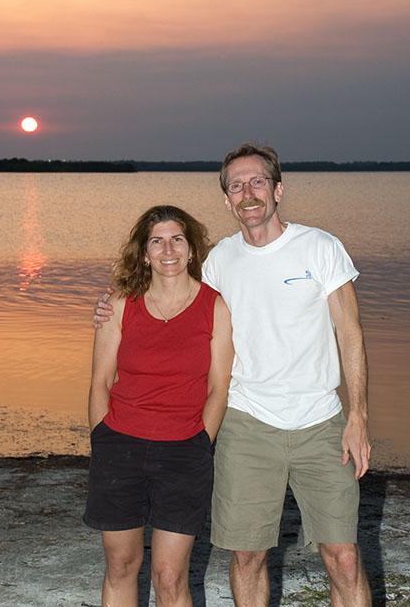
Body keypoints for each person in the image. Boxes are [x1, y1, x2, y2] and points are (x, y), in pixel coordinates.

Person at [95, 143, 372, 607]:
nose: (248, 193)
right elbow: (171, 290)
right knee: (246, 556)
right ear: (226, 200)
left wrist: (358, 416)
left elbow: (350, 332)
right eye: (237, 186)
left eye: (258, 181)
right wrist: (111, 305)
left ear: (278, 190)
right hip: (246, 424)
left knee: (343, 556)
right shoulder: (219, 260)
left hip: (320, 421)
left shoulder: (321, 247)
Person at [84, 204, 233, 607]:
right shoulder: (119, 304)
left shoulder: (215, 306)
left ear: (191, 248)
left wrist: (201, 441)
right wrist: (102, 438)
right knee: (121, 566)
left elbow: (219, 387)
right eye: (157, 241)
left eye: (177, 239)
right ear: (145, 252)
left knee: (170, 576)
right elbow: (100, 381)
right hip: (119, 449)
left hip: (184, 453)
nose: (168, 250)